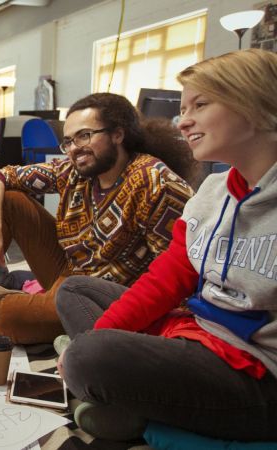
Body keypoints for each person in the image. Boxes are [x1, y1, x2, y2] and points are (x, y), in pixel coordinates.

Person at [56, 49, 277, 442]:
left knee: (87, 357)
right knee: (74, 291)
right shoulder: (212, 192)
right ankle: (128, 396)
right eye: (183, 108)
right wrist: (101, 336)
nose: (184, 120)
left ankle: (127, 406)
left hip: (255, 372)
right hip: (197, 333)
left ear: (256, 103)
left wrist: (93, 348)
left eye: (201, 104)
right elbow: (165, 281)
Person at [0, 93, 195, 345]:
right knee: (10, 200)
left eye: (84, 136)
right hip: (70, 271)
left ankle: (4, 297)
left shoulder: (154, 182)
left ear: (118, 134)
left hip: (108, 296)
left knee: (4, 317)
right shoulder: (72, 170)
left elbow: (177, 278)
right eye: (68, 141)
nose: (74, 148)